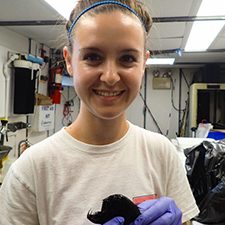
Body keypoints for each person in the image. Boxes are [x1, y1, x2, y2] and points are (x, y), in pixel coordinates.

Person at [0, 0, 199, 224]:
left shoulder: (162, 154)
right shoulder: (30, 172)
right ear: (69, 61)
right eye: (93, 57)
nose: (110, 76)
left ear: (144, 63)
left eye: (127, 58)